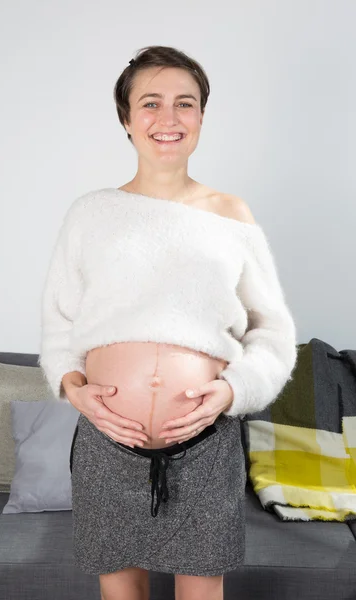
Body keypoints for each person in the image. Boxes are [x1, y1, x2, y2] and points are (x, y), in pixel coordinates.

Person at [39, 45, 298, 600]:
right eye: (150, 103)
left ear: (202, 117)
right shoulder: (91, 213)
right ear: (126, 118)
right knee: (120, 594)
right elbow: (59, 326)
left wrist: (232, 391)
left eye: (186, 103)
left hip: (205, 447)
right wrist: (72, 388)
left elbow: (272, 334)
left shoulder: (232, 215)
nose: (168, 118)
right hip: (108, 444)